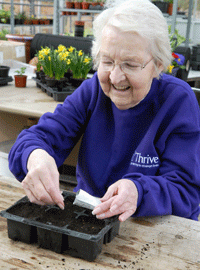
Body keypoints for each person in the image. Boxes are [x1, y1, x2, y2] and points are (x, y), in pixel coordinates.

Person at [9, 0, 200, 222]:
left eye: (130, 64)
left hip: (151, 228)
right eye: (107, 61)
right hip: (90, 217)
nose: (115, 77)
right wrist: (35, 157)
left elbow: (187, 190)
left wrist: (138, 192)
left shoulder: (177, 101)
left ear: (158, 64)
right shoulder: (94, 91)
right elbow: (35, 138)